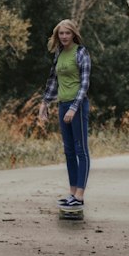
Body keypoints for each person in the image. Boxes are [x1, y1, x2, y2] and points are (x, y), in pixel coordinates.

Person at [38, 18, 91, 209]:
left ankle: (80, 195)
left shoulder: (81, 53)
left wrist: (74, 107)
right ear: (57, 36)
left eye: (67, 33)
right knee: (68, 150)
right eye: (61, 33)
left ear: (73, 34)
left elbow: (84, 84)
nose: (64, 36)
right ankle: (71, 192)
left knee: (81, 150)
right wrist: (44, 103)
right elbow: (53, 80)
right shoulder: (59, 53)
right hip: (62, 105)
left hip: (78, 106)